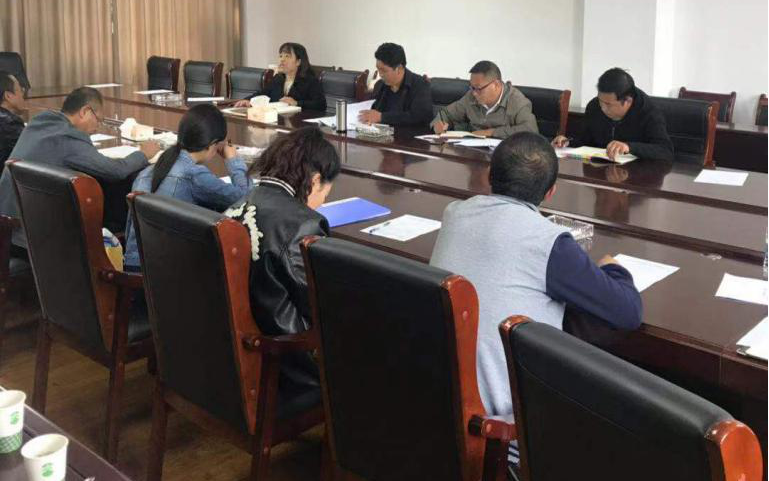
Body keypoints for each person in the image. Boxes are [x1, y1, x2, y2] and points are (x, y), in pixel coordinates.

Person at [430, 132, 642, 419]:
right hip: (503, 418)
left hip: (440, 397)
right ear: (550, 192)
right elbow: (628, 312)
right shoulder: (547, 240)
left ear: (489, 174)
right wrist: (614, 269)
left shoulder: (455, 212)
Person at [224, 126, 340, 399]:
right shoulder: (303, 224)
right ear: (315, 180)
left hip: (233, 353)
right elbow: (318, 307)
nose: (323, 203)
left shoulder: (239, 205)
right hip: (286, 364)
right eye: (325, 193)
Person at [0, 87, 160, 248]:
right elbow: (115, 171)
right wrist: (143, 154)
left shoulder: (40, 121)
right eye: (98, 120)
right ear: (85, 111)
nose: (98, 127)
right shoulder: (68, 137)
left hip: (8, 221)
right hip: (32, 234)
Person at [123, 104, 250, 271]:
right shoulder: (194, 174)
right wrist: (233, 161)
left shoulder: (147, 172)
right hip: (169, 273)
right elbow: (246, 198)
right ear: (212, 144)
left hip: (135, 268)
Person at [552, 68, 674, 161]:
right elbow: (585, 139)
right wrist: (568, 142)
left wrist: (629, 147)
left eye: (608, 104)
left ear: (627, 101)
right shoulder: (594, 106)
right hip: (598, 171)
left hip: (637, 176)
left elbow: (665, 151)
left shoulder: (649, 112)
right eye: (600, 101)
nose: (602, 107)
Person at [431, 61, 538, 138]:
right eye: (472, 87)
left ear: (496, 85)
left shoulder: (517, 101)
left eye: (478, 88)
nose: (474, 93)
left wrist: (491, 132)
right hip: (472, 152)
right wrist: (438, 125)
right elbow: (446, 113)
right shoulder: (471, 96)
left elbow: (531, 131)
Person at [234, 42, 326, 111]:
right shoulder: (278, 78)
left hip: (300, 124)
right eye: (281, 56)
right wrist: (248, 100)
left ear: (298, 62)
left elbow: (321, 105)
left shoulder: (310, 81)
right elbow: (263, 93)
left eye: (287, 56)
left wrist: (297, 103)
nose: (282, 60)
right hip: (278, 122)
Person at [359, 43, 433, 127]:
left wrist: (382, 117)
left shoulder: (420, 85)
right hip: (383, 133)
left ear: (399, 68)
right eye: (378, 69)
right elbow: (376, 110)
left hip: (410, 134)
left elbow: (419, 117)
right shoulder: (382, 85)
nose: (380, 74)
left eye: (384, 70)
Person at [0, 71, 26, 169]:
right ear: (8, 96)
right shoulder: (10, 123)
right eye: (20, 90)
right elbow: (32, 151)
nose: (23, 94)